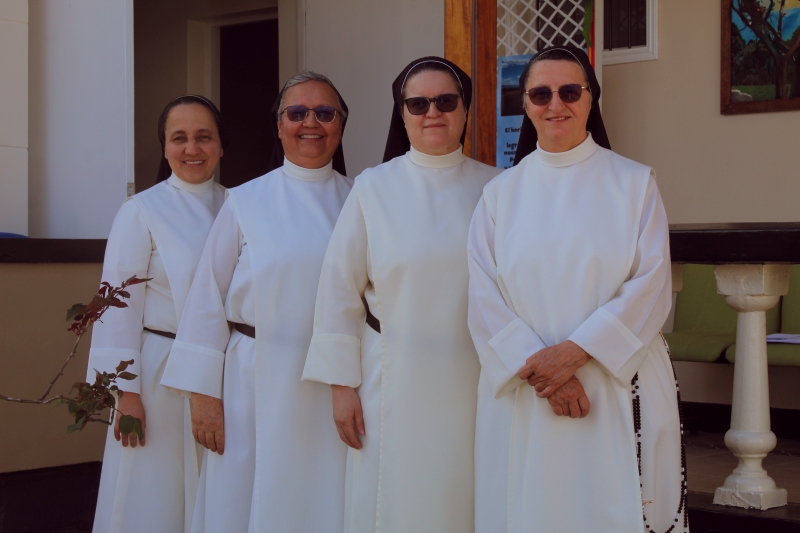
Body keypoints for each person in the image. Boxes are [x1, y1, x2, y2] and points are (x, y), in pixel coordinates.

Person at [467, 46, 687, 533]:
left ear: (591, 100)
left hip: (613, 382)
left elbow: (651, 284)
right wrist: (547, 370)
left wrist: (576, 352)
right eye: (540, 94)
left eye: (570, 91)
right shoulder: (499, 194)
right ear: (525, 105)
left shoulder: (634, 183)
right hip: (528, 389)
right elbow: (482, 298)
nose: (555, 105)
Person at [301, 57, 501, 532]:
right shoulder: (374, 187)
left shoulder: (496, 187)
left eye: (446, 101)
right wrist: (341, 386)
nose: (432, 112)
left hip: (476, 381)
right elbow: (338, 290)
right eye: (418, 103)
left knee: (467, 496)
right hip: (391, 379)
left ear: (465, 110)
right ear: (403, 113)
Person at [160, 71, 351, 533]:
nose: (311, 123)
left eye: (324, 113)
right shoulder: (245, 201)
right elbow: (207, 297)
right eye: (297, 113)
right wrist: (204, 396)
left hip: (335, 384)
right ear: (279, 125)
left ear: (341, 125)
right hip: (252, 382)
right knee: (247, 499)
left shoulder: (360, 199)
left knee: (327, 496)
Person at [87, 95, 228, 533]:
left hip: (226, 374)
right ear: (164, 148)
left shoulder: (240, 205)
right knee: (152, 494)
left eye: (204, 137)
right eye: (179, 138)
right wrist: (123, 394)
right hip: (156, 376)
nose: (192, 149)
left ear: (221, 145)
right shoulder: (141, 211)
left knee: (216, 488)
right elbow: (116, 306)